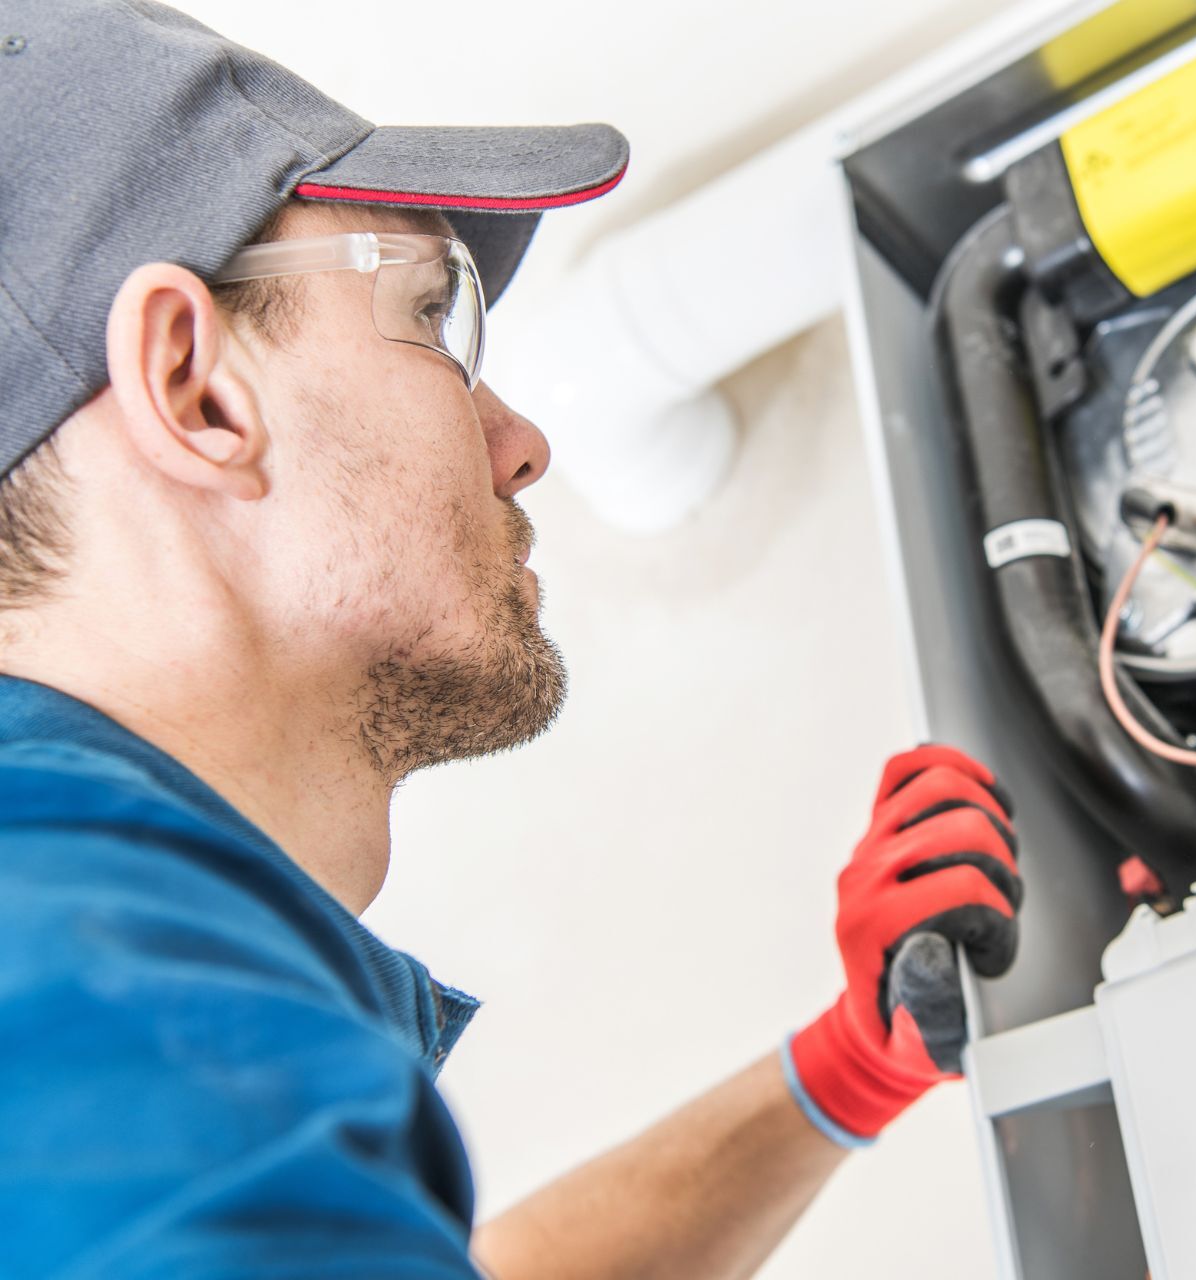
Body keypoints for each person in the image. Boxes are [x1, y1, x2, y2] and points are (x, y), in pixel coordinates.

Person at [0, 3, 1024, 1276]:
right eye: (432, 315)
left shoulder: (94, 1016)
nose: (521, 440)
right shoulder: (103, 998)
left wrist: (852, 1066)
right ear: (196, 389)